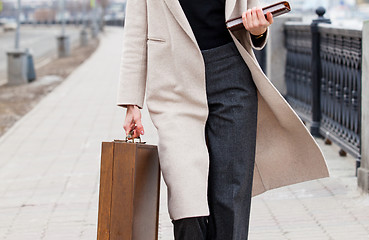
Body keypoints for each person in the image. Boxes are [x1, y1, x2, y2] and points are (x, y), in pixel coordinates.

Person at [117, 0, 329, 239]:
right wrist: (131, 102)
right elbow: (135, 31)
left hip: (232, 76)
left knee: (230, 200)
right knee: (187, 204)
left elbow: (256, 12)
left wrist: (259, 29)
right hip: (174, 83)